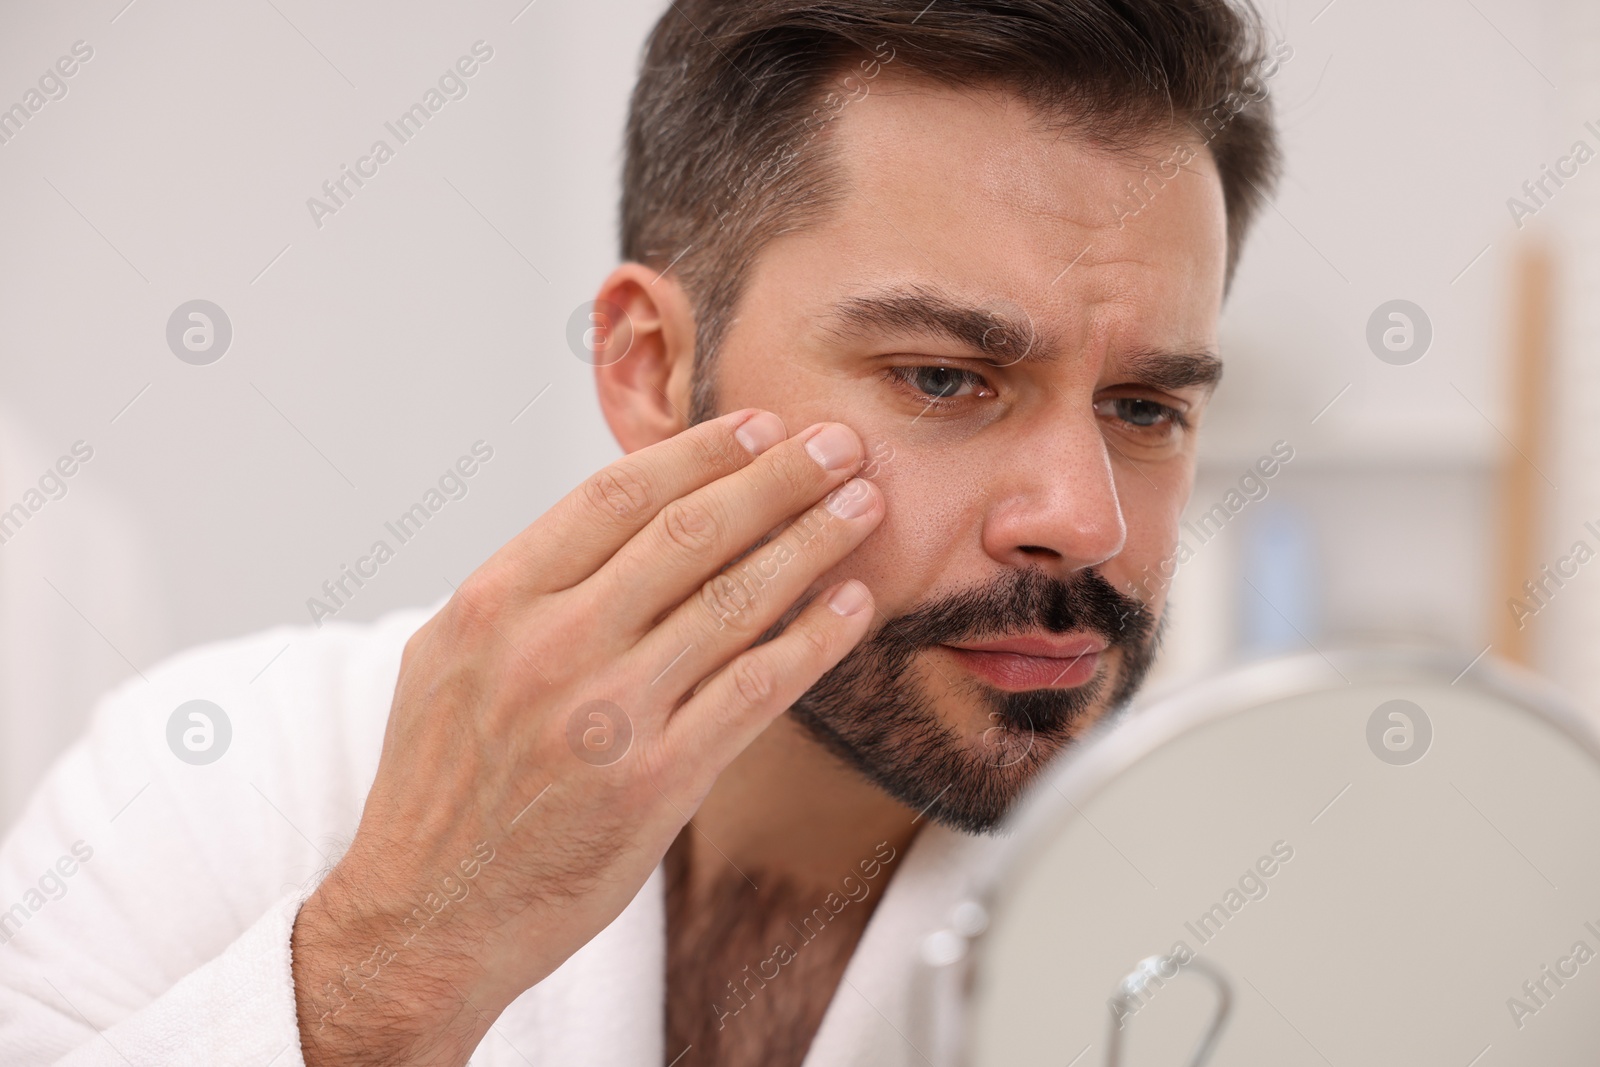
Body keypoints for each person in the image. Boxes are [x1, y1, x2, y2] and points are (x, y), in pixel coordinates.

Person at [0, 0, 1282, 1063]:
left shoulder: (1269, 924)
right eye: (944, 378)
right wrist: (390, 967)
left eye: (1144, 406)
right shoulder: (217, 783)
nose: (1082, 518)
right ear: (653, 365)